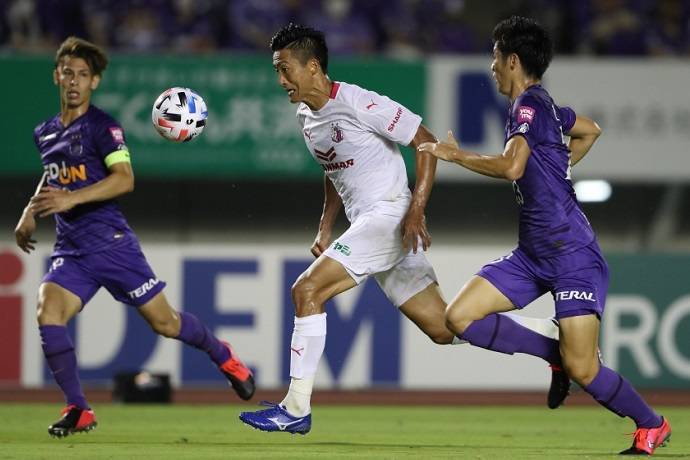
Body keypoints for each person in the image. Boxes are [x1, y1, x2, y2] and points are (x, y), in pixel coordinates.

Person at [239, 23, 569, 435]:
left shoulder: (359, 102)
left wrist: (415, 209)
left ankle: (295, 408)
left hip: (390, 218)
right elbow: (334, 167)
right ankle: (551, 339)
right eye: (277, 70)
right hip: (370, 225)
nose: (280, 79)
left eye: (285, 69)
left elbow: (425, 141)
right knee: (444, 327)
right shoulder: (307, 115)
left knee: (306, 291)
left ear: (313, 67)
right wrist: (325, 227)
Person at [417, 16, 671, 456]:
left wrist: (455, 156)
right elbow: (591, 129)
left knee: (585, 368)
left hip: (572, 256)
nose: (492, 66)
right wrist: (559, 167)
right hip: (533, 255)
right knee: (458, 318)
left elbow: (512, 167)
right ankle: (553, 353)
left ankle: (652, 425)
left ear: (512, 61)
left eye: (495, 57)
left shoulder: (528, 107)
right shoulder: (546, 109)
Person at [14, 36, 255, 438]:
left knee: (166, 323)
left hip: (112, 245)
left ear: (95, 83)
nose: (75, 81)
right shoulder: (45, 132)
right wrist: (28, 212)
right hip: (71, 251)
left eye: (84, 75)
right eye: (68, 73)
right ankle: (79, 407)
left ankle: (224, 356)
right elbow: (53, 175)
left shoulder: (103, 127)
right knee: (47, 312)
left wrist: (73, 197)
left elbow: (124, 179)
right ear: (56, 75)